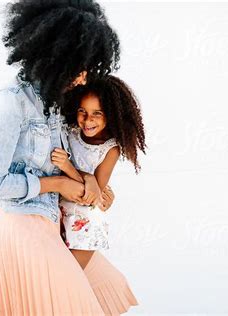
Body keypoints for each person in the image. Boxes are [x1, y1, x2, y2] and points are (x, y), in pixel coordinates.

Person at [0, 1, 138, 314]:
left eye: (88, 68)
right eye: (78, 67)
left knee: (108, 288)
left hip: (55, 224)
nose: (82, 78)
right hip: (21, 224)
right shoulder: (10, 104)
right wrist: (57, 184)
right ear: (53, 57)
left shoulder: (59, 106)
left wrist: (93, 183)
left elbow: (74, 159)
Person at [53, 74, 147, 270]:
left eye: (97, 113)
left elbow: (93, 195)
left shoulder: (110, 149)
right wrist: (87, 177)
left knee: (69, 277)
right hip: (58, 212)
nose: (88, 120)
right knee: (49, 272)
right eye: (82, 111)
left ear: (111, 114)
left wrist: (68, 167)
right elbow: (90, 183)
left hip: (85, 223)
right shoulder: (69, 132)